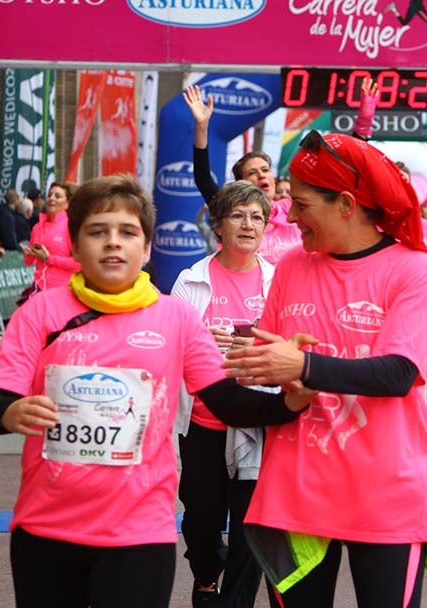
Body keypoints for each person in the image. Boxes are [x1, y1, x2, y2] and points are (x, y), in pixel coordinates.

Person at [0, 174, 313, 608]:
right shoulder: (41, 313)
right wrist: (10, 412)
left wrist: (292, 401)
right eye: (98, 232)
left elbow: (224, 400)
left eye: (128, 232)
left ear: (147, 248)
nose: (113, 243)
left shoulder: (176, 317)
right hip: (46, 527)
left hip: (140, 531)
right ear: (74, 247)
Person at [219, 131, 427, 608]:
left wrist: (302, 364)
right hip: (297, 489)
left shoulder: (412, 268)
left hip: (387, 490)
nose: (289, 215)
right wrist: (258, 369)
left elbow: (399, 373)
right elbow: (270, 368)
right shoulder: (291, 267)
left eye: (302, 205)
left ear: (345, 203)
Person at [170, 181, 277, 608]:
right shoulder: (189, 280)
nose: (248, 224)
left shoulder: (279, 280)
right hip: (203, 423)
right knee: (201, 522)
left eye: (256, 216)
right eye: (238, 215)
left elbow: (296, 345)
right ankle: (205, 575)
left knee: (251, 528)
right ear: (218, 224)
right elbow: (169, 346)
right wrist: (198, 340)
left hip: (256, 421)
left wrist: (261, 348)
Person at [184, 84, 303, 263]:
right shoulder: (230, 208)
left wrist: (362, 129)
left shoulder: (294, 208)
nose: (262, 176)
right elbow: (203, 178)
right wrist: (201, 127)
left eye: (265, 170)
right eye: (253, 173)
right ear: (241, 184)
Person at [23, 182, 81, 293]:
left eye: (57, 196)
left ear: (68, 203)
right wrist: (29, 253)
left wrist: (49, 258)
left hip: (62, 292)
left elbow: (79, 264)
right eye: (49, 195)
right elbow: (29, 261)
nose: (51, 198)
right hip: (38, 288)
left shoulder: (71, 226)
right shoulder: (38, 227)